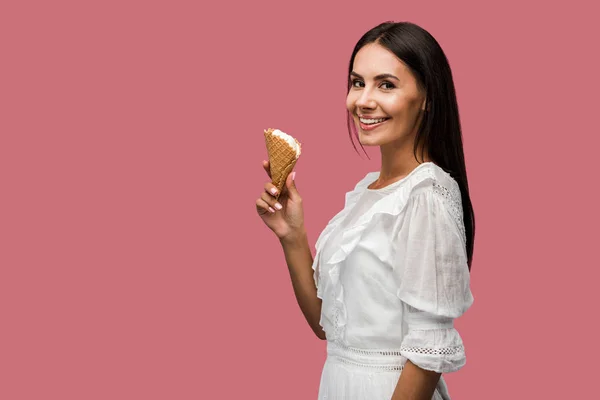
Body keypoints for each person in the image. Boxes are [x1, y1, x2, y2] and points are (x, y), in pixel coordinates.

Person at [256, 21, 475, 400]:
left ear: (427, 97)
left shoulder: (426, 193)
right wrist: (292, 236)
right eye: (358, 82)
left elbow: (428, 351)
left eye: (386, 84)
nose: (363, 100)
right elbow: (330, 329)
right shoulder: (366, 193)